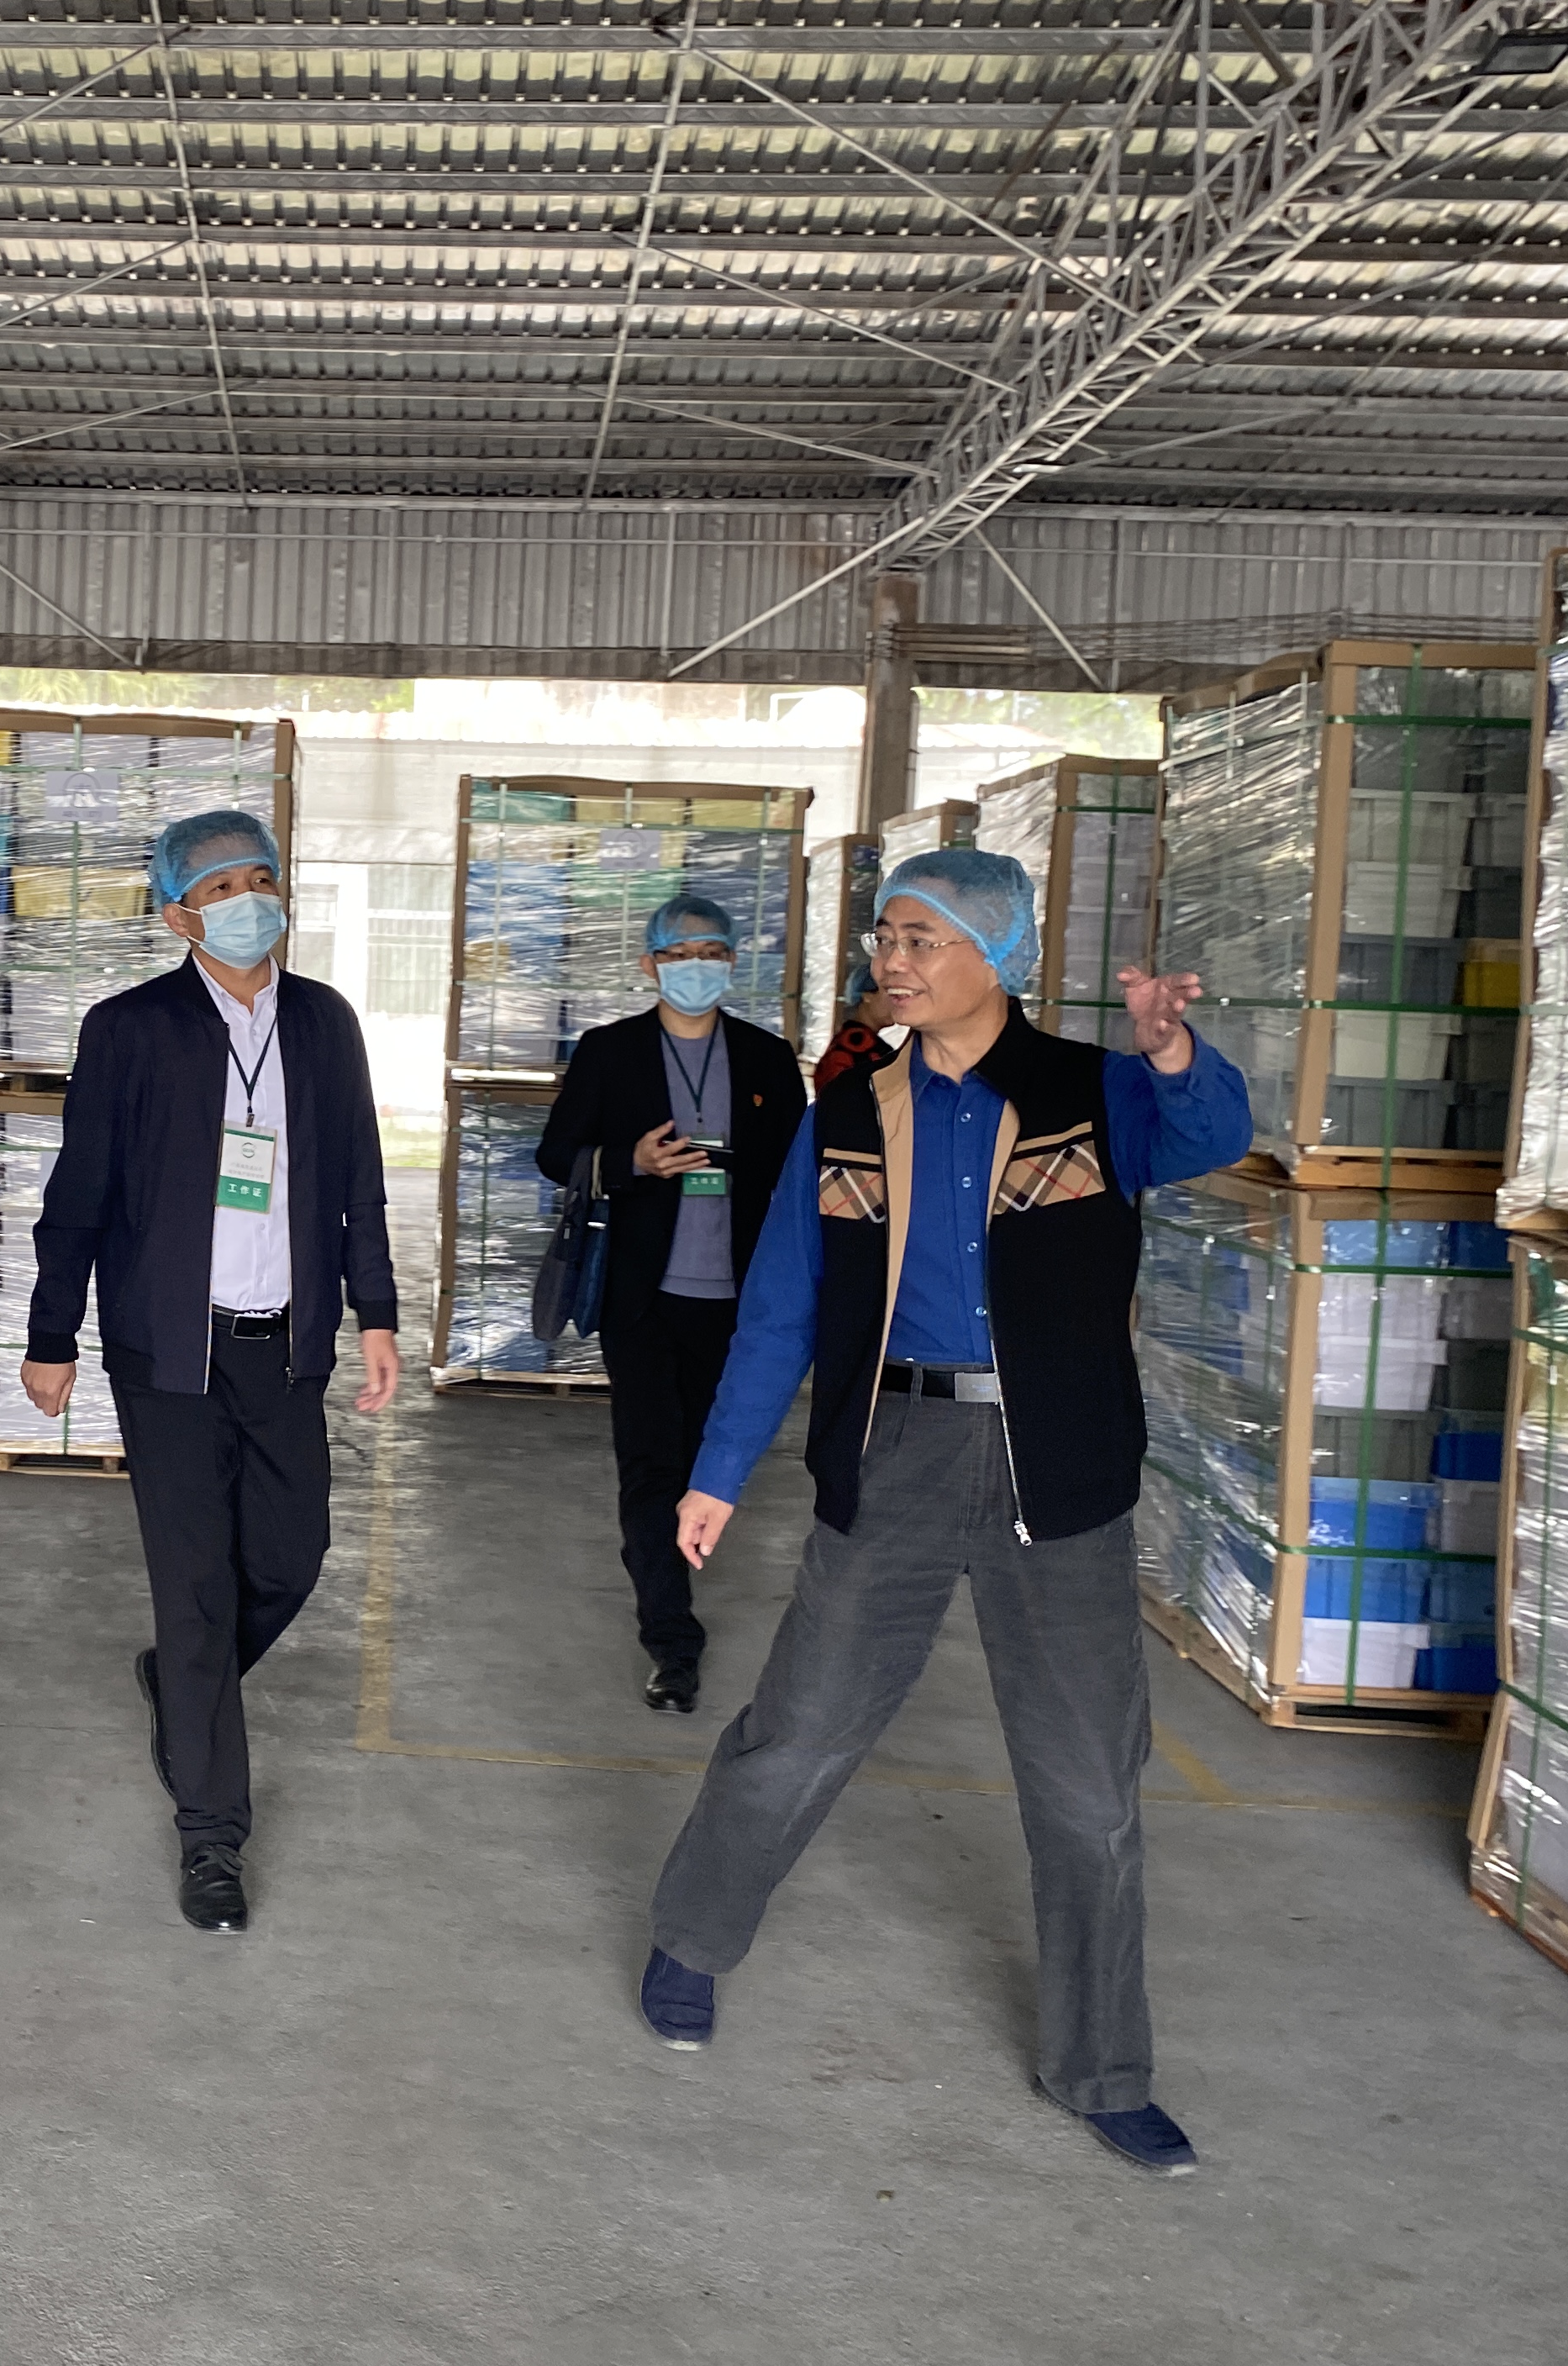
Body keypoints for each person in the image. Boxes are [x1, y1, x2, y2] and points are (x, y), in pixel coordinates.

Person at [632, 846, 1250, 2178]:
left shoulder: (1096, 1091)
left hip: (1057, 1464)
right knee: (798, 1729)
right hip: (898, 1446)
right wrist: (719, 1470)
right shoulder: (851, 1114)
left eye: (920, 938)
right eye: (885, 938)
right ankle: (691, 1940)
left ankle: (1101, 2068)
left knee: (1090, 1787)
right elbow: (784, 1305)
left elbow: (1210, 1138)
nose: (892, 960)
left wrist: (1174, 1051)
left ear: (998, 955)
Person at [19, 810, 403, 1936]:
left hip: (283, 1342)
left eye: (260, 879)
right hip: (167, 1352)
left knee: (292, 1556)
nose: (248, 901)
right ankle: (210, 1835)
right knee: (193, 1590)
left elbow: (361, 1178)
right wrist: (52, 1332)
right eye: (222, 887)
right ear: (177, 914)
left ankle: (185, 1684)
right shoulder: (131, 1028)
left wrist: (377, 1313)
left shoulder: (324, 1023)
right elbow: (80, 1190)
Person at [535, 894, 805, 1715]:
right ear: (649, 965)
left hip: (737, 1305)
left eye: (712, 952)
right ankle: (671, 1641)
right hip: (644, 1300)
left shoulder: (765, 1058)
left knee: (704, 1463)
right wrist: (631, 1162)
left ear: (733, 963)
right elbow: (556, 1152)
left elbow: (799, 1175)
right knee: (651, 1468)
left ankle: (674, 1569)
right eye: (680, 954)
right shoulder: (610, 1051)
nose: (698, 967)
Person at [808, 961, 898, 1094]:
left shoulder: (844, 1041)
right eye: (890, 993)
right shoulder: (865, 1050)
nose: (897, 1001)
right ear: (867, 995)